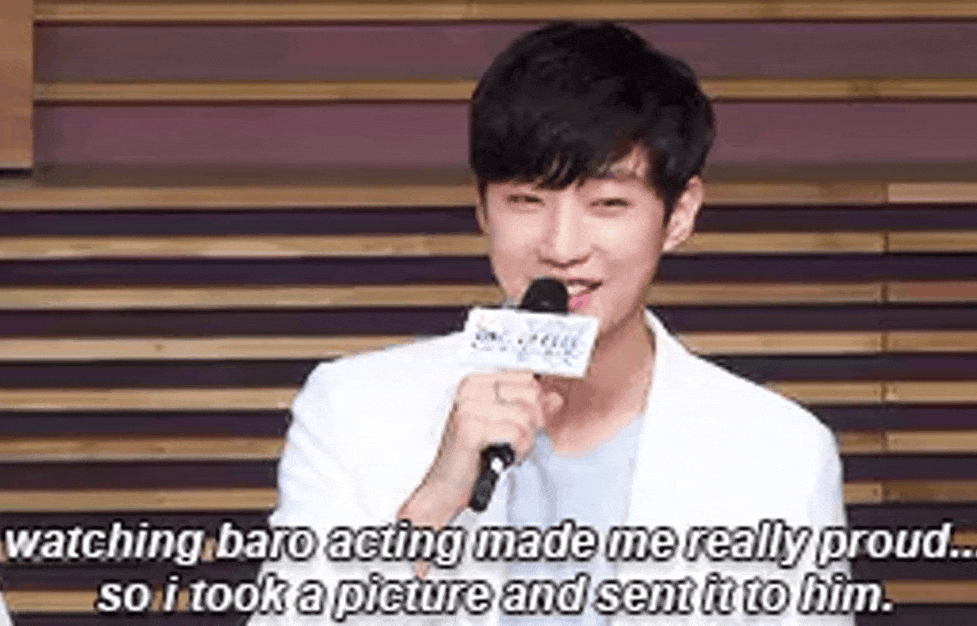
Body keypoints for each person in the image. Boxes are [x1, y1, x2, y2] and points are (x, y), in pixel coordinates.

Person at [250, 22, 852, 625]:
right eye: (526, 201)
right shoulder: (351, 409)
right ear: (482, 209)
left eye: (608, 205)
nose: (562, 248)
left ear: (679, 215)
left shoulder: (779, 453)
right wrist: (431, 508)